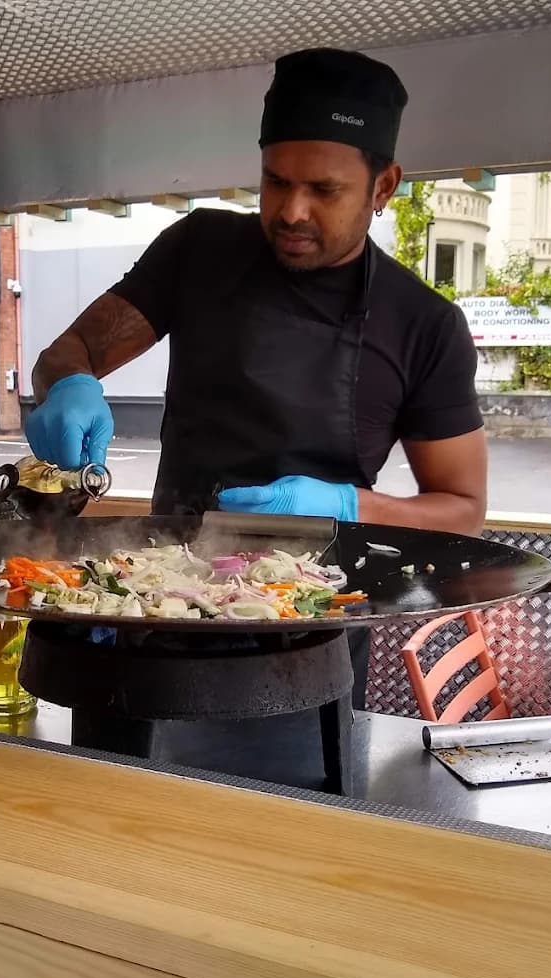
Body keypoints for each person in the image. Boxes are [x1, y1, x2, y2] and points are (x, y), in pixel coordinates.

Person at [26, 47, 488, 708]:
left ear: (383, 186)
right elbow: (66, 353)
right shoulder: (199, 251)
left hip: (313, 629)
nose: (292, 211)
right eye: (276, 181)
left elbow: (463, 512)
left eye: (324, 190)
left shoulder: (422, 323)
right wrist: (69, 385)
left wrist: (346, 505)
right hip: (163, 608)